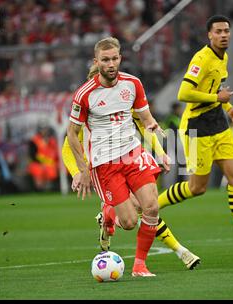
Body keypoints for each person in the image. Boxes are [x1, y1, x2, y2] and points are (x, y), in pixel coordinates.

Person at [157, 15, 233, 255]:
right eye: (218, 31)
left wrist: (228, 108)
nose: (223, 35)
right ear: (209, 35)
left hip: (219, 125)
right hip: (196, 128)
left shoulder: (225, 57)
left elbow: (217, 91)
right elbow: (183, 93)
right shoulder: (201, 59)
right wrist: (216, 99)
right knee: (196, 188)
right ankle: (150, 206)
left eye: (226, 31)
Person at [62, 68, 200, 270]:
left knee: (148, 207)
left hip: (130, 159)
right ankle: (176, 249)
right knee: (134, 216)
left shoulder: (123, 105)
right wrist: (78, 172)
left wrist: (160, 152)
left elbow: (144, 126)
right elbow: (67, 148)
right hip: (104, 168)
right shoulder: (86, 117)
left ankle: (177, 251)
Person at [68, 37, 166, 277]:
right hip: (105, 164)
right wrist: (82, 170)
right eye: (105, 60)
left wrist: (154, 128)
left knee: (152, 207)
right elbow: (72, 134)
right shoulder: (85, 94)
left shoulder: (133, 84)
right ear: (96, 62)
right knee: (130, 222)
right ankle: (108, 215)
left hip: (132, 153)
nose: (111, 64)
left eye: (114, 58)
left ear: (120, 58)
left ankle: (140, 266)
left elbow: (144, 117)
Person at [28, 122, 59, 191]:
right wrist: (44, 162)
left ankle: (50, 187)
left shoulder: (52, 140)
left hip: (51, 162)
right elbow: (33, 155)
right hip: (38, 163)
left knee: (56, 168)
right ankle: (39, 188)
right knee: (38, 169)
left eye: (46, 129)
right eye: (43, 129)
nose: (44, 131)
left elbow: (56, 153)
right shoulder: (34, 140)